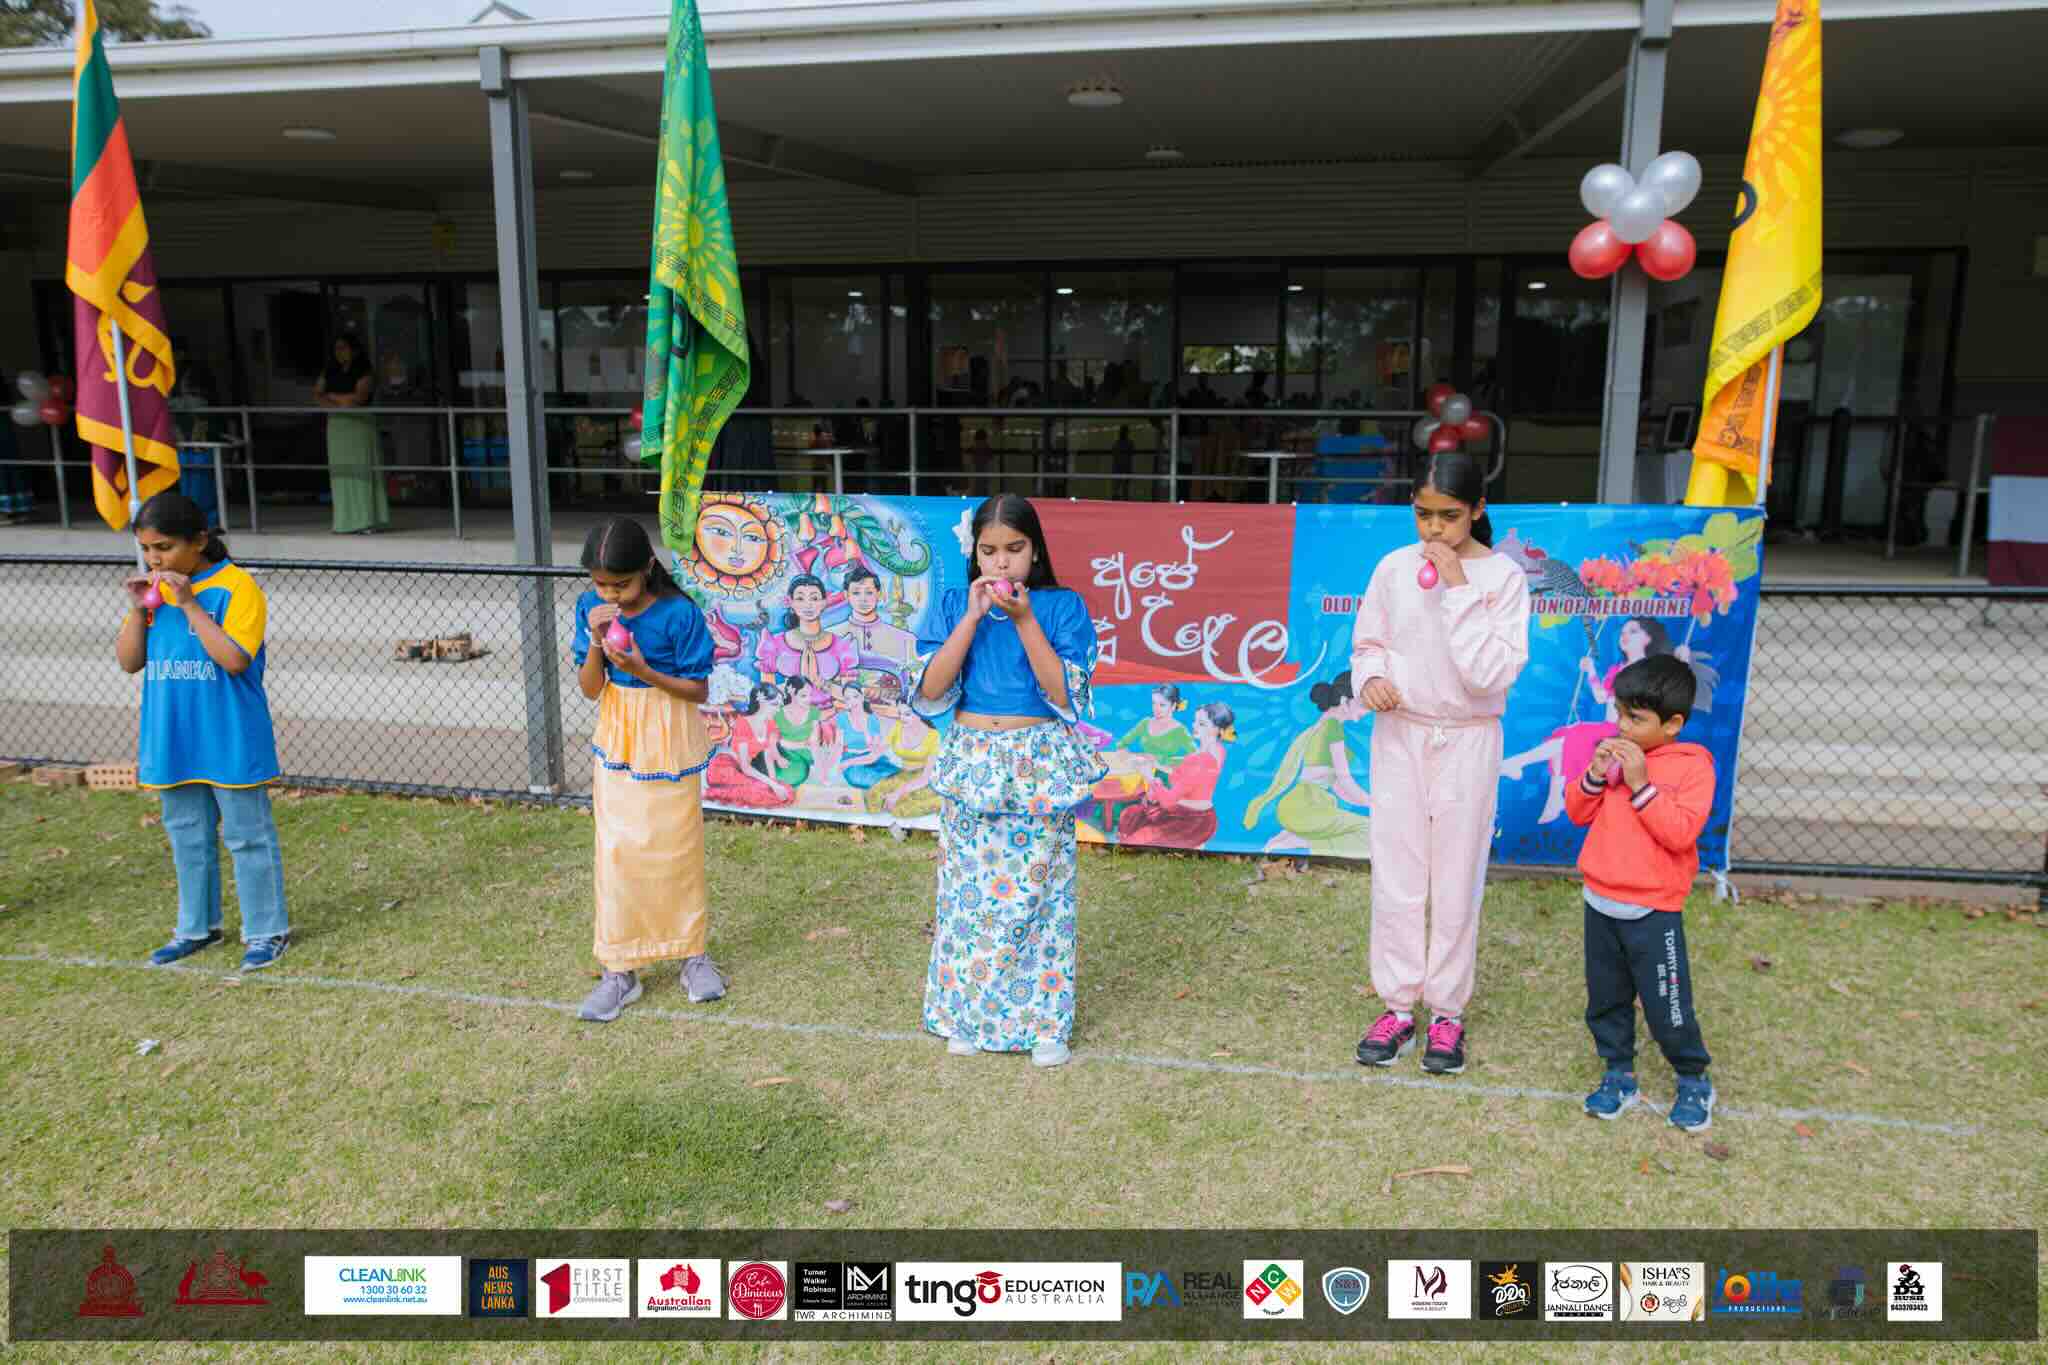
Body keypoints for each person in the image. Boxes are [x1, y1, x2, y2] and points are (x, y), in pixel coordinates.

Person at [1350, 451, 1531, 1076]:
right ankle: (1398, 1007)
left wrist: (1458, 588)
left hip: (1467, 738)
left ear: (1477, 509)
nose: (1434, 529)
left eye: (1448, 516)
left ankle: (1448, 1012)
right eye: (1423, 514)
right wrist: (1371, 679)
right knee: (1397, 873)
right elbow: (1368, 643)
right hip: (1400, 733)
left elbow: (1489, 674)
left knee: (1456, 878)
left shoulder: (1503, 578)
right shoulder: (1393, 568)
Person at [912, 493, 1106, 1067]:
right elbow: (930, 689)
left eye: (1015, 549)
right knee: (967, 899)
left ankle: (1044, 1024)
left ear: (1036, 550)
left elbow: (1065, 693)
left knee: (1040, 898)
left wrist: (1024, 620)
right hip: (973, 758)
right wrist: (972, 618)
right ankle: (966, 1015)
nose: (1001, 562)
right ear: (974, 553)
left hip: (1037, 760)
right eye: (989, 550)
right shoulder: (954, 604)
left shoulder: (1062, 606)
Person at [115, 492, 290, 972]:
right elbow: (129, 661)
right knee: (187, 835)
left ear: (199, 541)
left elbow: (234, 659)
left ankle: (267, 930)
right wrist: (138, 610)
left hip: (229, 734)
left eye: (164, 547)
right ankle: (197, 927)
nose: (154, 559)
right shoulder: (155, 592)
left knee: (247, 836)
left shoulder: (237, 588)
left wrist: (190, 604)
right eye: (146, 549)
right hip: (172, 735)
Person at [570, 517, 723, 1021]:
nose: (611, 594)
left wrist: (642, 670)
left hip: (671, 734)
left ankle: (692, 956)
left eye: (621, 583)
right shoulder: (590, 609)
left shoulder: (679, 614)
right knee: (617, 854)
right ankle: (619, 970)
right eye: (601, 584)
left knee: (678, 850)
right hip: (620, 735)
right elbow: (590, 688)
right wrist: (597, 642)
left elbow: (697, 690)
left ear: (648, 567)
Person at [1566, 654, 1718, 1132]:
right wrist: (1595, 774)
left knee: (1666, 1005)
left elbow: (1680, 833)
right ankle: (1618, 1075)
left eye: (1635, 718)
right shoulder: (1615, 754)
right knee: (1606, 998)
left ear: (1672, 725)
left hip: (1653, 909)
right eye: (1619, 714)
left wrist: (1640, 785)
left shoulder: (1693, 768)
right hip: (1600, 902)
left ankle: (1692, 1078)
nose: (1622, 726)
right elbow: (1577, 812)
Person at [1242, 673, 1373, 857]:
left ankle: (1292, 839)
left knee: (1368, 827)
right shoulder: (1332, 727)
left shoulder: (1323, 725)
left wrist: (1369, 804)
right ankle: (1298, 842)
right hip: (1306, 807)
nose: (1368, 708)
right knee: (1370, 832)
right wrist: (1374, 804)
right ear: (1345, 700)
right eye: (1364, 702)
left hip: (1303, 807)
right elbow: (1345, 780)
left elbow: (1339, 787)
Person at [1118, 702, 1233, 848]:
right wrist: (1157, 765)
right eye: (1195, 721)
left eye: (1202, 724)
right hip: (1201, 816)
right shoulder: (1217, 750)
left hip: (1191, 822)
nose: (1194, 726)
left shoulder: (1200, 760)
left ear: (1218, 729)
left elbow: (1168, 800)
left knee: (1133, 837)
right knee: (1132, 814)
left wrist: (1148, 776)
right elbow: (1192, 778)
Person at [313, 335, 388, 535]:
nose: (339, 352)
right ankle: (344, 522)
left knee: (362, 470)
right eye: (337, 348)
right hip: (337, 425)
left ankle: (366, 520)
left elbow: (359, 398)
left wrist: (333, 396)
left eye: (344, 348)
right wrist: (339, 402)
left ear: (354, 350)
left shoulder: (365, 371)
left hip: (359, 425)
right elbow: (318, 394)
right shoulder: (329, 370)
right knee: (341, 473)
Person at [755, 572, 859, 696]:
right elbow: (766, 697)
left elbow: (853, 697)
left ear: (824, 602)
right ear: (790, 603)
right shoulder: (774, 644)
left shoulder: (842, 646)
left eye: (814, 598)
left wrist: (821, 683)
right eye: (800, 599)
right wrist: (798, 688)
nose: (808, 605)